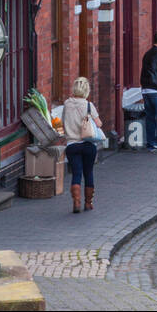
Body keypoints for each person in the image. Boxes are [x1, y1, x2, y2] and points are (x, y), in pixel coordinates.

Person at [62, 76, 102, 213]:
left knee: (76, 173)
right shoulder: (89, 106)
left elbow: (63, 121)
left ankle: (76, 202)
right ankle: (88, 203)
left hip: (72, 145)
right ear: (87, 90)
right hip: (88, 145)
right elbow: (98, 124)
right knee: (88, 172)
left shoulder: (67, 104)